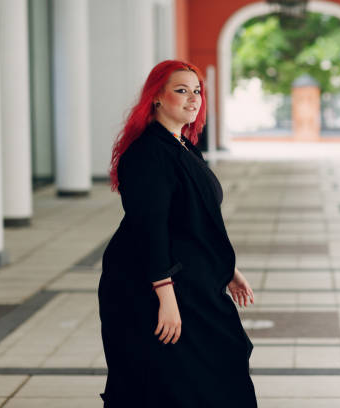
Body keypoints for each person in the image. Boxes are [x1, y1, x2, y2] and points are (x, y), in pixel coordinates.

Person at [98, 60, 257, 407]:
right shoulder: (146, 153)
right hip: (151, 283)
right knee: (170, 380)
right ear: (156, 97)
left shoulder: (182, 146)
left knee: (218, 365)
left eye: (197, 91)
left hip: (192, 279)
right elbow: (149, 229)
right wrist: (165, 299)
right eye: (181, 90)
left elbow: (197, 220)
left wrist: (228, 269)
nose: (193, 99)